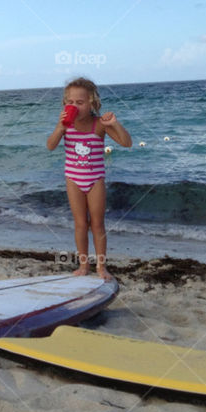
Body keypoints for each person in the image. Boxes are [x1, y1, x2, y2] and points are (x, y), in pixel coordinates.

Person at [47, 77, 132, 280]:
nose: (74, 106)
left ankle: (101, 267)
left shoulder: (99, 125)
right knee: (80, 224)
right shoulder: (66, 126)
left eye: (80, 102)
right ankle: (83, 265)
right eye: (70, 102)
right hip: (73, 179)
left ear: (92, 103)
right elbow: (50, 145)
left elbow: (126, 143)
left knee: (97, 224)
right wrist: (59, 128)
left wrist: (115, 123)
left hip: (95, 180)